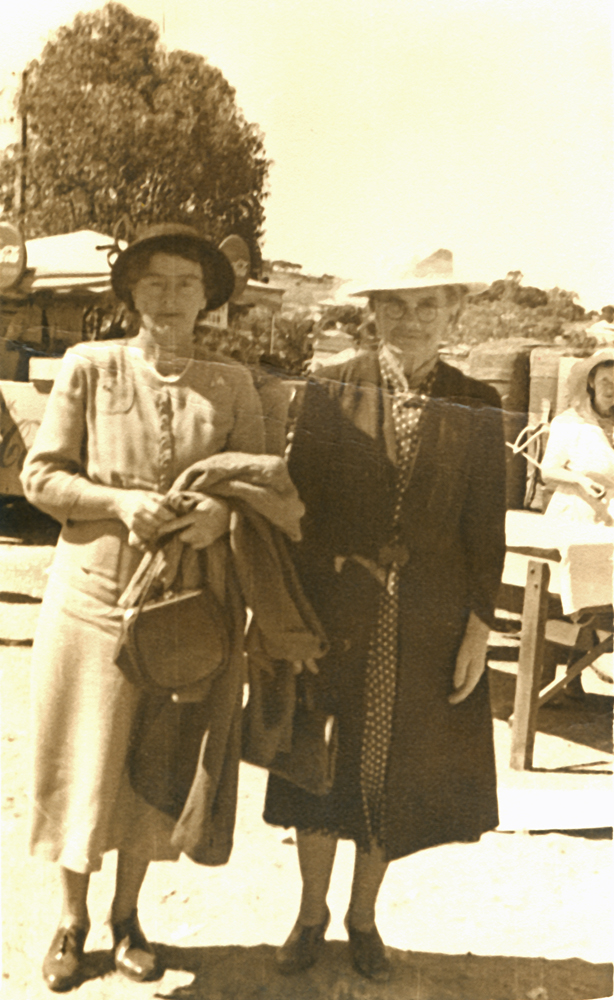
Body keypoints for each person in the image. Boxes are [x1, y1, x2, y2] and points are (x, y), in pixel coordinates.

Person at [21, 223, 267, 992]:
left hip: (190, 601)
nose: (169, 298)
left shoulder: (232, 383)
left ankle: (128, 919)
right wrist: (118, 503)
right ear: (129, 292)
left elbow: (264, 485)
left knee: (155, 757)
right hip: (92, 594)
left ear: (208, 298)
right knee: (83, 754)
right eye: (153, 282)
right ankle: (71, 921)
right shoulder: (90, 367)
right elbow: (41, 476)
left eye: (186, 284)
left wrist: (222, 517)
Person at [263, 249, 507, 981]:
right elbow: (299, 508)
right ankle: (310, 916)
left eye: (428, 305)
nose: (411, 319)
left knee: (388, 772)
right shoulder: (334, 386)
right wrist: (301, 611)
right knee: (320, 767)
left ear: (453, 312)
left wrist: (478, 628)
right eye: (395, 305)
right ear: (373, 312)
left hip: (427, 620)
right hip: (337, 613)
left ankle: (362, 920)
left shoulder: (479, 402)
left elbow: (484, 527)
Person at [541, 349, 614, 526]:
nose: (611, 387)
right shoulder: (569, 422)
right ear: (591, 382)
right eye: (604, 380)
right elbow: (548, 471)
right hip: (576, 513)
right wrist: (581, 479)